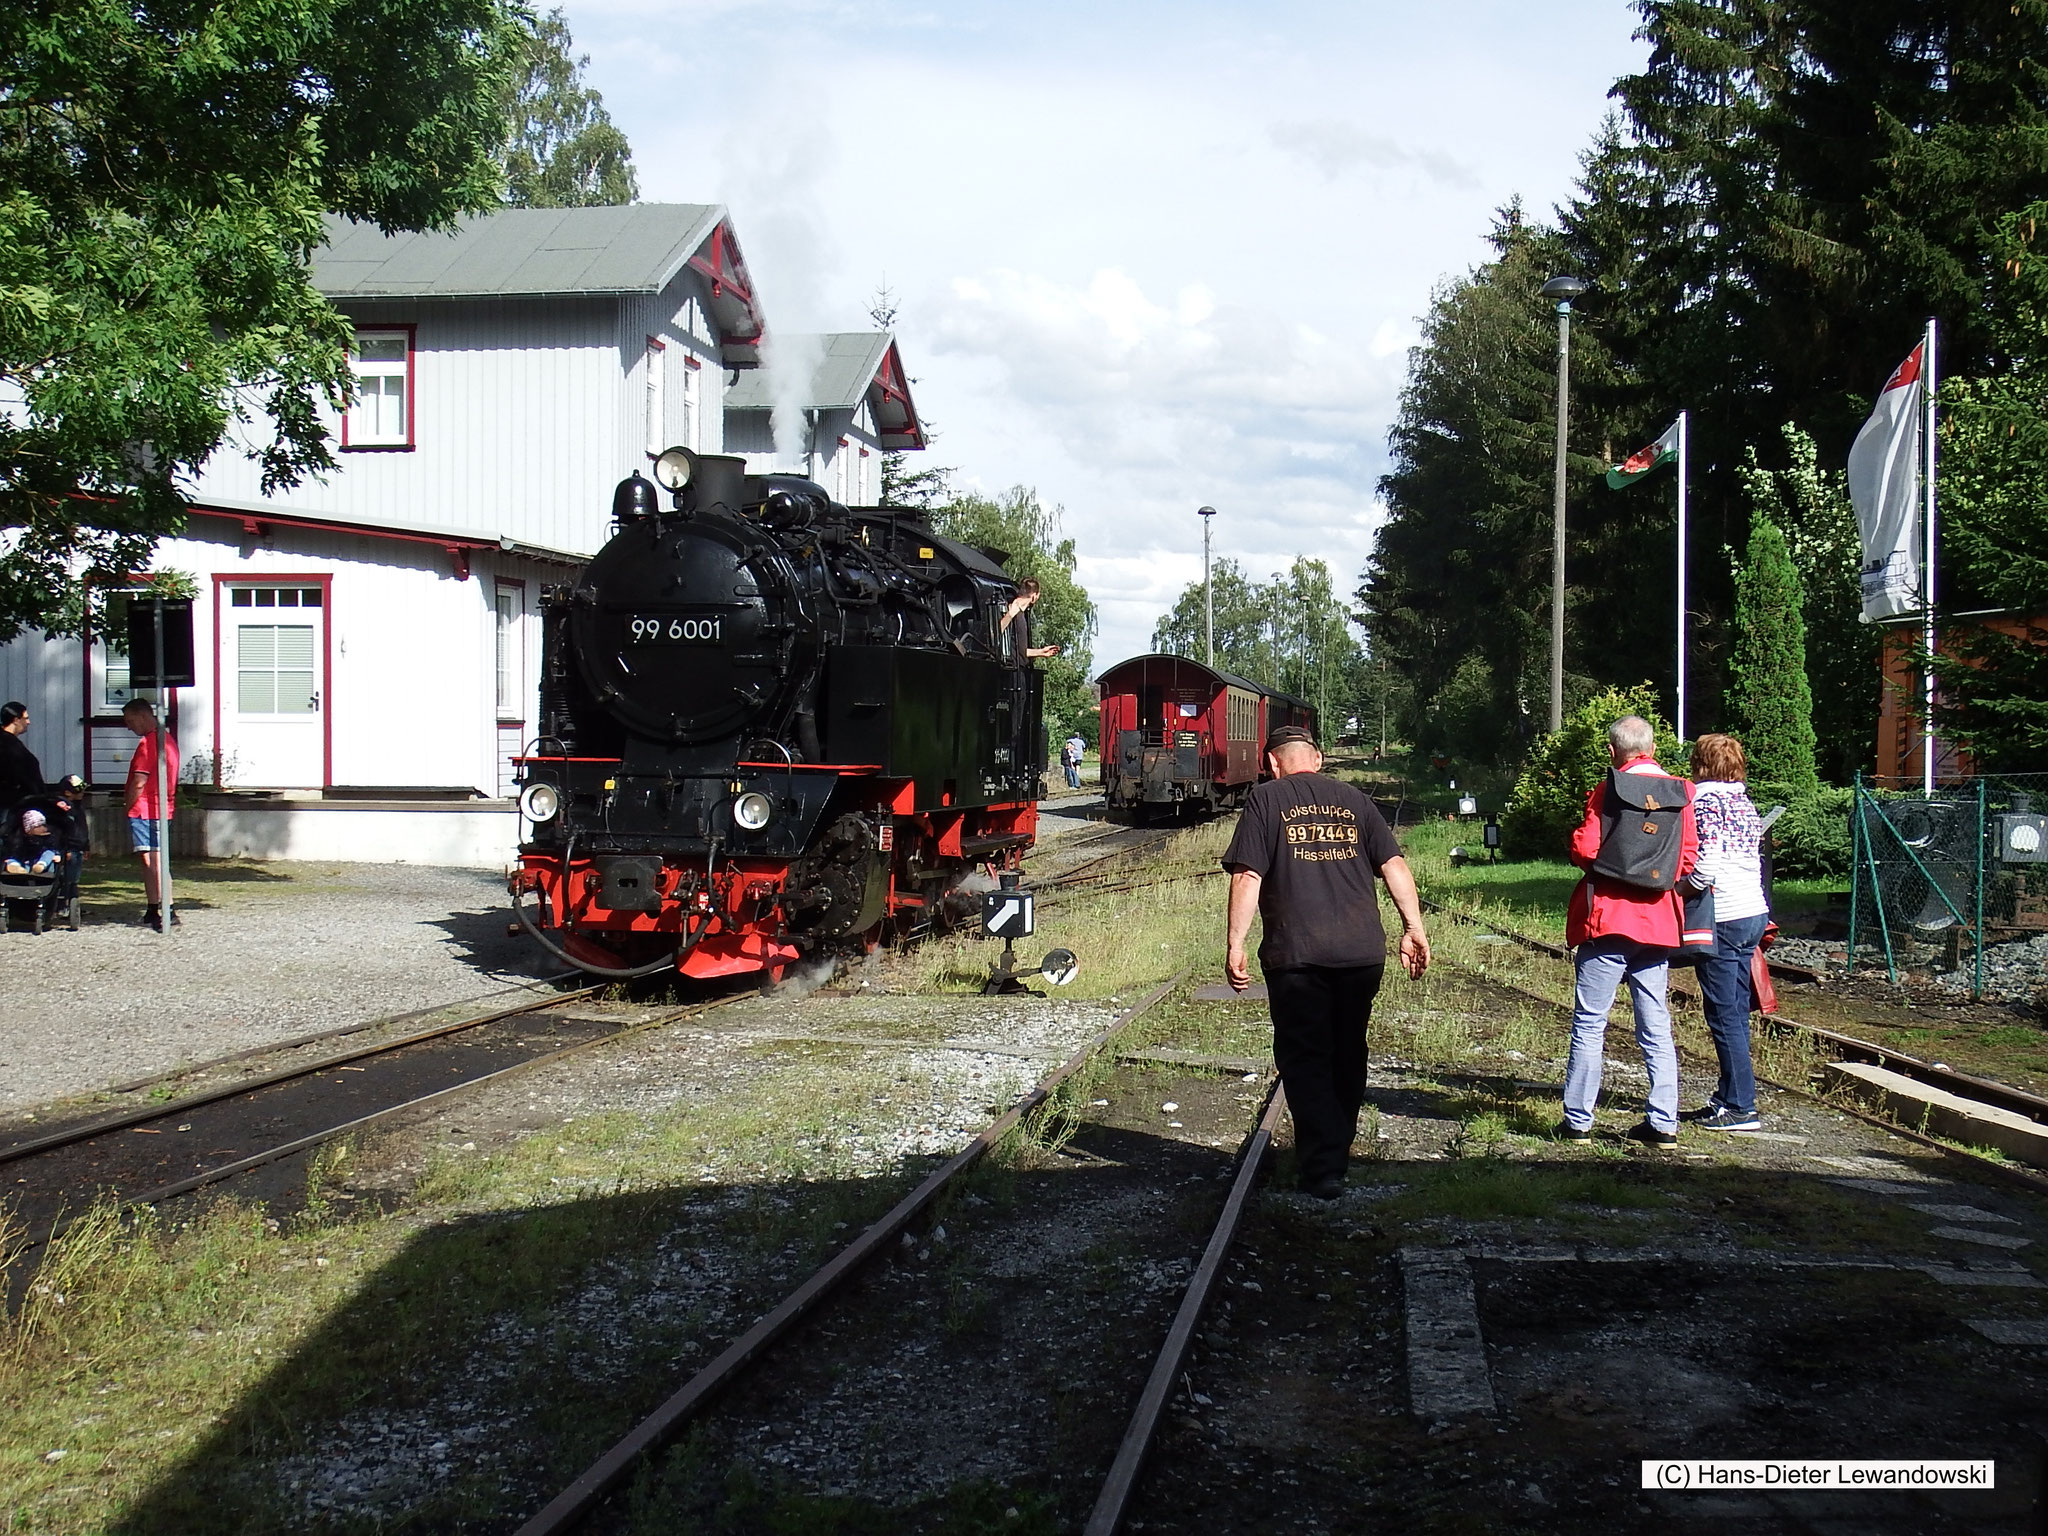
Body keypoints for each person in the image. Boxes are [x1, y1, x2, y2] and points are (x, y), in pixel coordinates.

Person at [1223, 725, 1430, 1198]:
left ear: (1272, 763)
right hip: (1361, 953)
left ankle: (1324, 1165)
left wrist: (1236, 942)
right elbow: (1394, 865)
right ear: (1316, 759)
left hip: (1297, 955)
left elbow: (1249, 873)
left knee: (1306, 1056)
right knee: (1348, 1048)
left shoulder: (1266, 799)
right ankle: (1336, 1148)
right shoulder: (1355, 800)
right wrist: (1413, 927)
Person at [1558, 716, 1698, 1147]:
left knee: (1590, 1023)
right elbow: (1688, 859)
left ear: (1612, 750)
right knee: (1656, 1024)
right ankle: (1663, 1122)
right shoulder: (1681, 792)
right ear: (1652, 748)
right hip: (1658, 923)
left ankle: (1579, 1121)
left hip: (1609, 919)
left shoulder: (1610, 788)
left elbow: (1585, 847)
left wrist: (1612, 870)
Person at [1682, 733, 1771, 1132]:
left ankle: (1740, 1107)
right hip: (1753, 911)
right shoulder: (1742, 801)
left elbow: (1707, 864)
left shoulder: (1705, 802)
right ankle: (1728, 1096)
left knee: (1723, 1014)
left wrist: (1681, 889)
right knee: (1734, 1011)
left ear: (1700, 764)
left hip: (1725, 916)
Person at [123, 698, 180, 930]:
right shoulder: (167, 740)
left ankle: (169, 909)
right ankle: (153, 907)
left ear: (142, 716)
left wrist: (127, 805)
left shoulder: (149, 743)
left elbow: (140, 780)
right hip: (159, 807)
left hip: (148, 808)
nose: (128, 727)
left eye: (130, 721)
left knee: (154, 860)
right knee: (149, 858)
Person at [999, 579, 1062, 662]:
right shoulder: (1010, 609)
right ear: (1034, 596)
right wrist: (1010, 615)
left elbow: (1021, 651)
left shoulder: (1022, 615)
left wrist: (1042, 652)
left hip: (1019, 669)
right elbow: (995, 633)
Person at [0, 701, 44, 806]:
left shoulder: (9, 742)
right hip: (12, 804)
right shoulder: (8, 745)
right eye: (26, 718)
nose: (28, 722)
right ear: (16, 720)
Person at [3, 807, 59, 876]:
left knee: (49, 853)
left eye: (43, 825)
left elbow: (53, 848)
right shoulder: (20, 838)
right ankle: (15, 867)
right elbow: (16, 851)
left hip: (41, 859)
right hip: (25, 860)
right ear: (29, 829)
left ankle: (40, 866)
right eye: (38, 826)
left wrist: (58, 855)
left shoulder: (49, 836)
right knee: (13, 859)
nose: (43, 828)